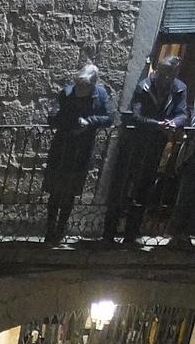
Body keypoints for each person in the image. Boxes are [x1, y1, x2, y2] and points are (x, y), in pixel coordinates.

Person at [104, 52, 187, 244]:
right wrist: (158, 125)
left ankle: (131, 234)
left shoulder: (179, 88)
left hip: (156, 145)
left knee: (144, 187)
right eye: (164, 73)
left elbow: (182, 113)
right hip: (135, 144)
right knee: (123, 186)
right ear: (158, 70)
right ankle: (109, 233)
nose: (167, 78)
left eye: (171, 75)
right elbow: (136, 115)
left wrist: (173, 123)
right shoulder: (144, 87)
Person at [43, 63, 113, 242]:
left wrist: (89, 121)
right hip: (62, 147)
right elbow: (53, 117)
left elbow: (109, 117)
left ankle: (60, 229)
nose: (80, 88)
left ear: (92, 84)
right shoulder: (67, 93)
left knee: (70, 192)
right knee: (55, 190)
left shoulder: (100, 95)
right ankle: (50, 230)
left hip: (82, 150)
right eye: (79, 85)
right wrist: (71, 121)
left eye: (84, 86)